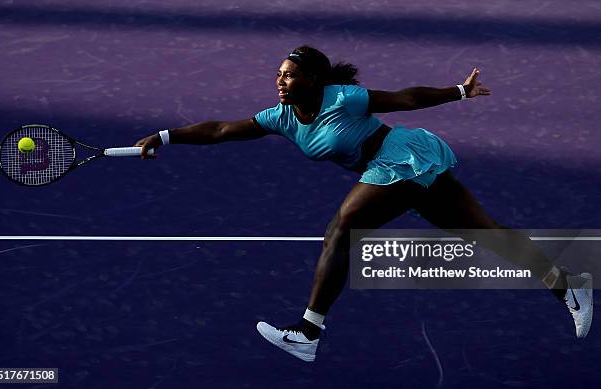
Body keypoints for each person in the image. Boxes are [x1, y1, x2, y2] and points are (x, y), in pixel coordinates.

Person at [134, 45, 593, 362]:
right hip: (406, 171)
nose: (280, 79)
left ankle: (308, 333)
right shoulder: (282, 118)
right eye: (278, 74)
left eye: (289, 74)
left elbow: (405, 98)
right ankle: (566, 283)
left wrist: (458, 91)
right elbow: (219, 130)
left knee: (342, 227)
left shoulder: (343, 98)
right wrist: (167, 136)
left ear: (312, 79)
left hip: (399, 158)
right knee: (484, 233)